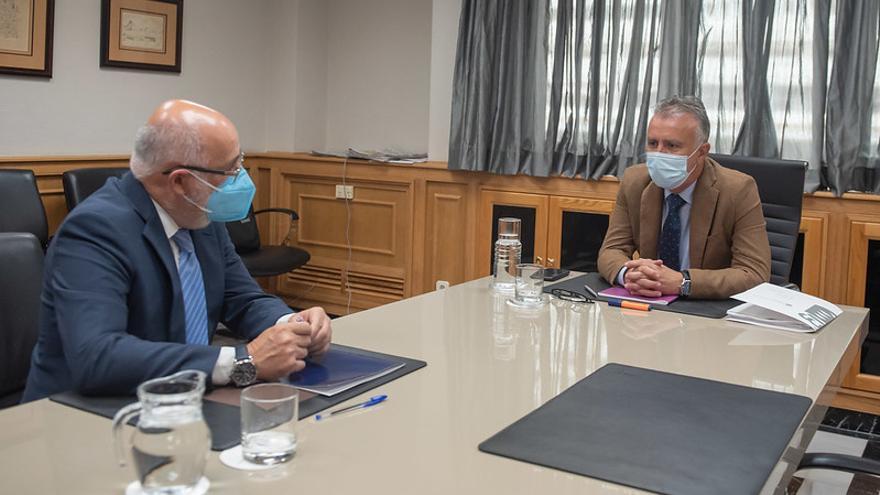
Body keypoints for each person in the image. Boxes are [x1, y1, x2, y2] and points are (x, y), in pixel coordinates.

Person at [22, 100, 332, 401]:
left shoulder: (199, 214)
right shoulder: (94, 230)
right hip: (83, 413)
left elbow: (243, 299)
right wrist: (244, 360)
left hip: (177, 399)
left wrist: (291, 326)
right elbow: (98, 356)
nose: (242, 178)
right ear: (182, 181)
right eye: (231, 169)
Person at [597, 95, 771, 300]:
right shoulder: (635, 181)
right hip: (650, 307)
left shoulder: (738, 190)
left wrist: (683, 282)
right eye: (653, 143)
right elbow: (611, 250)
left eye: (672, 145)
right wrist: (629, 274)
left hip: (707, 313)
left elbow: (754, 273)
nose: (659, 153)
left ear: (702, 152)